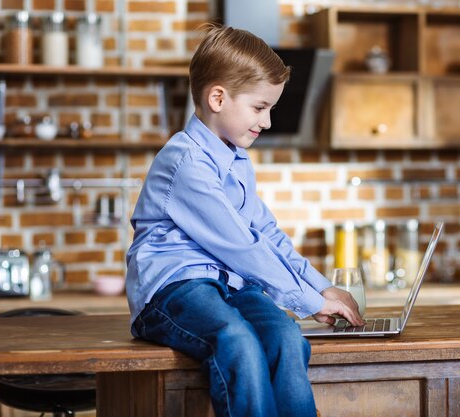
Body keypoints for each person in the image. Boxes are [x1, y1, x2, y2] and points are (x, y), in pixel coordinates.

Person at [125, 25, 364, 417]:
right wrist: (307, 301)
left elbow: (266, 232)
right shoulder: (184, 161)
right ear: (218, 97)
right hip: (174, 291)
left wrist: (323, 287)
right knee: (237, 341)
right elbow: (240, 245)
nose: (267, 121)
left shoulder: (235, 159)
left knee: (287, 337)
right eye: (260, 107)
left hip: (228, 287)